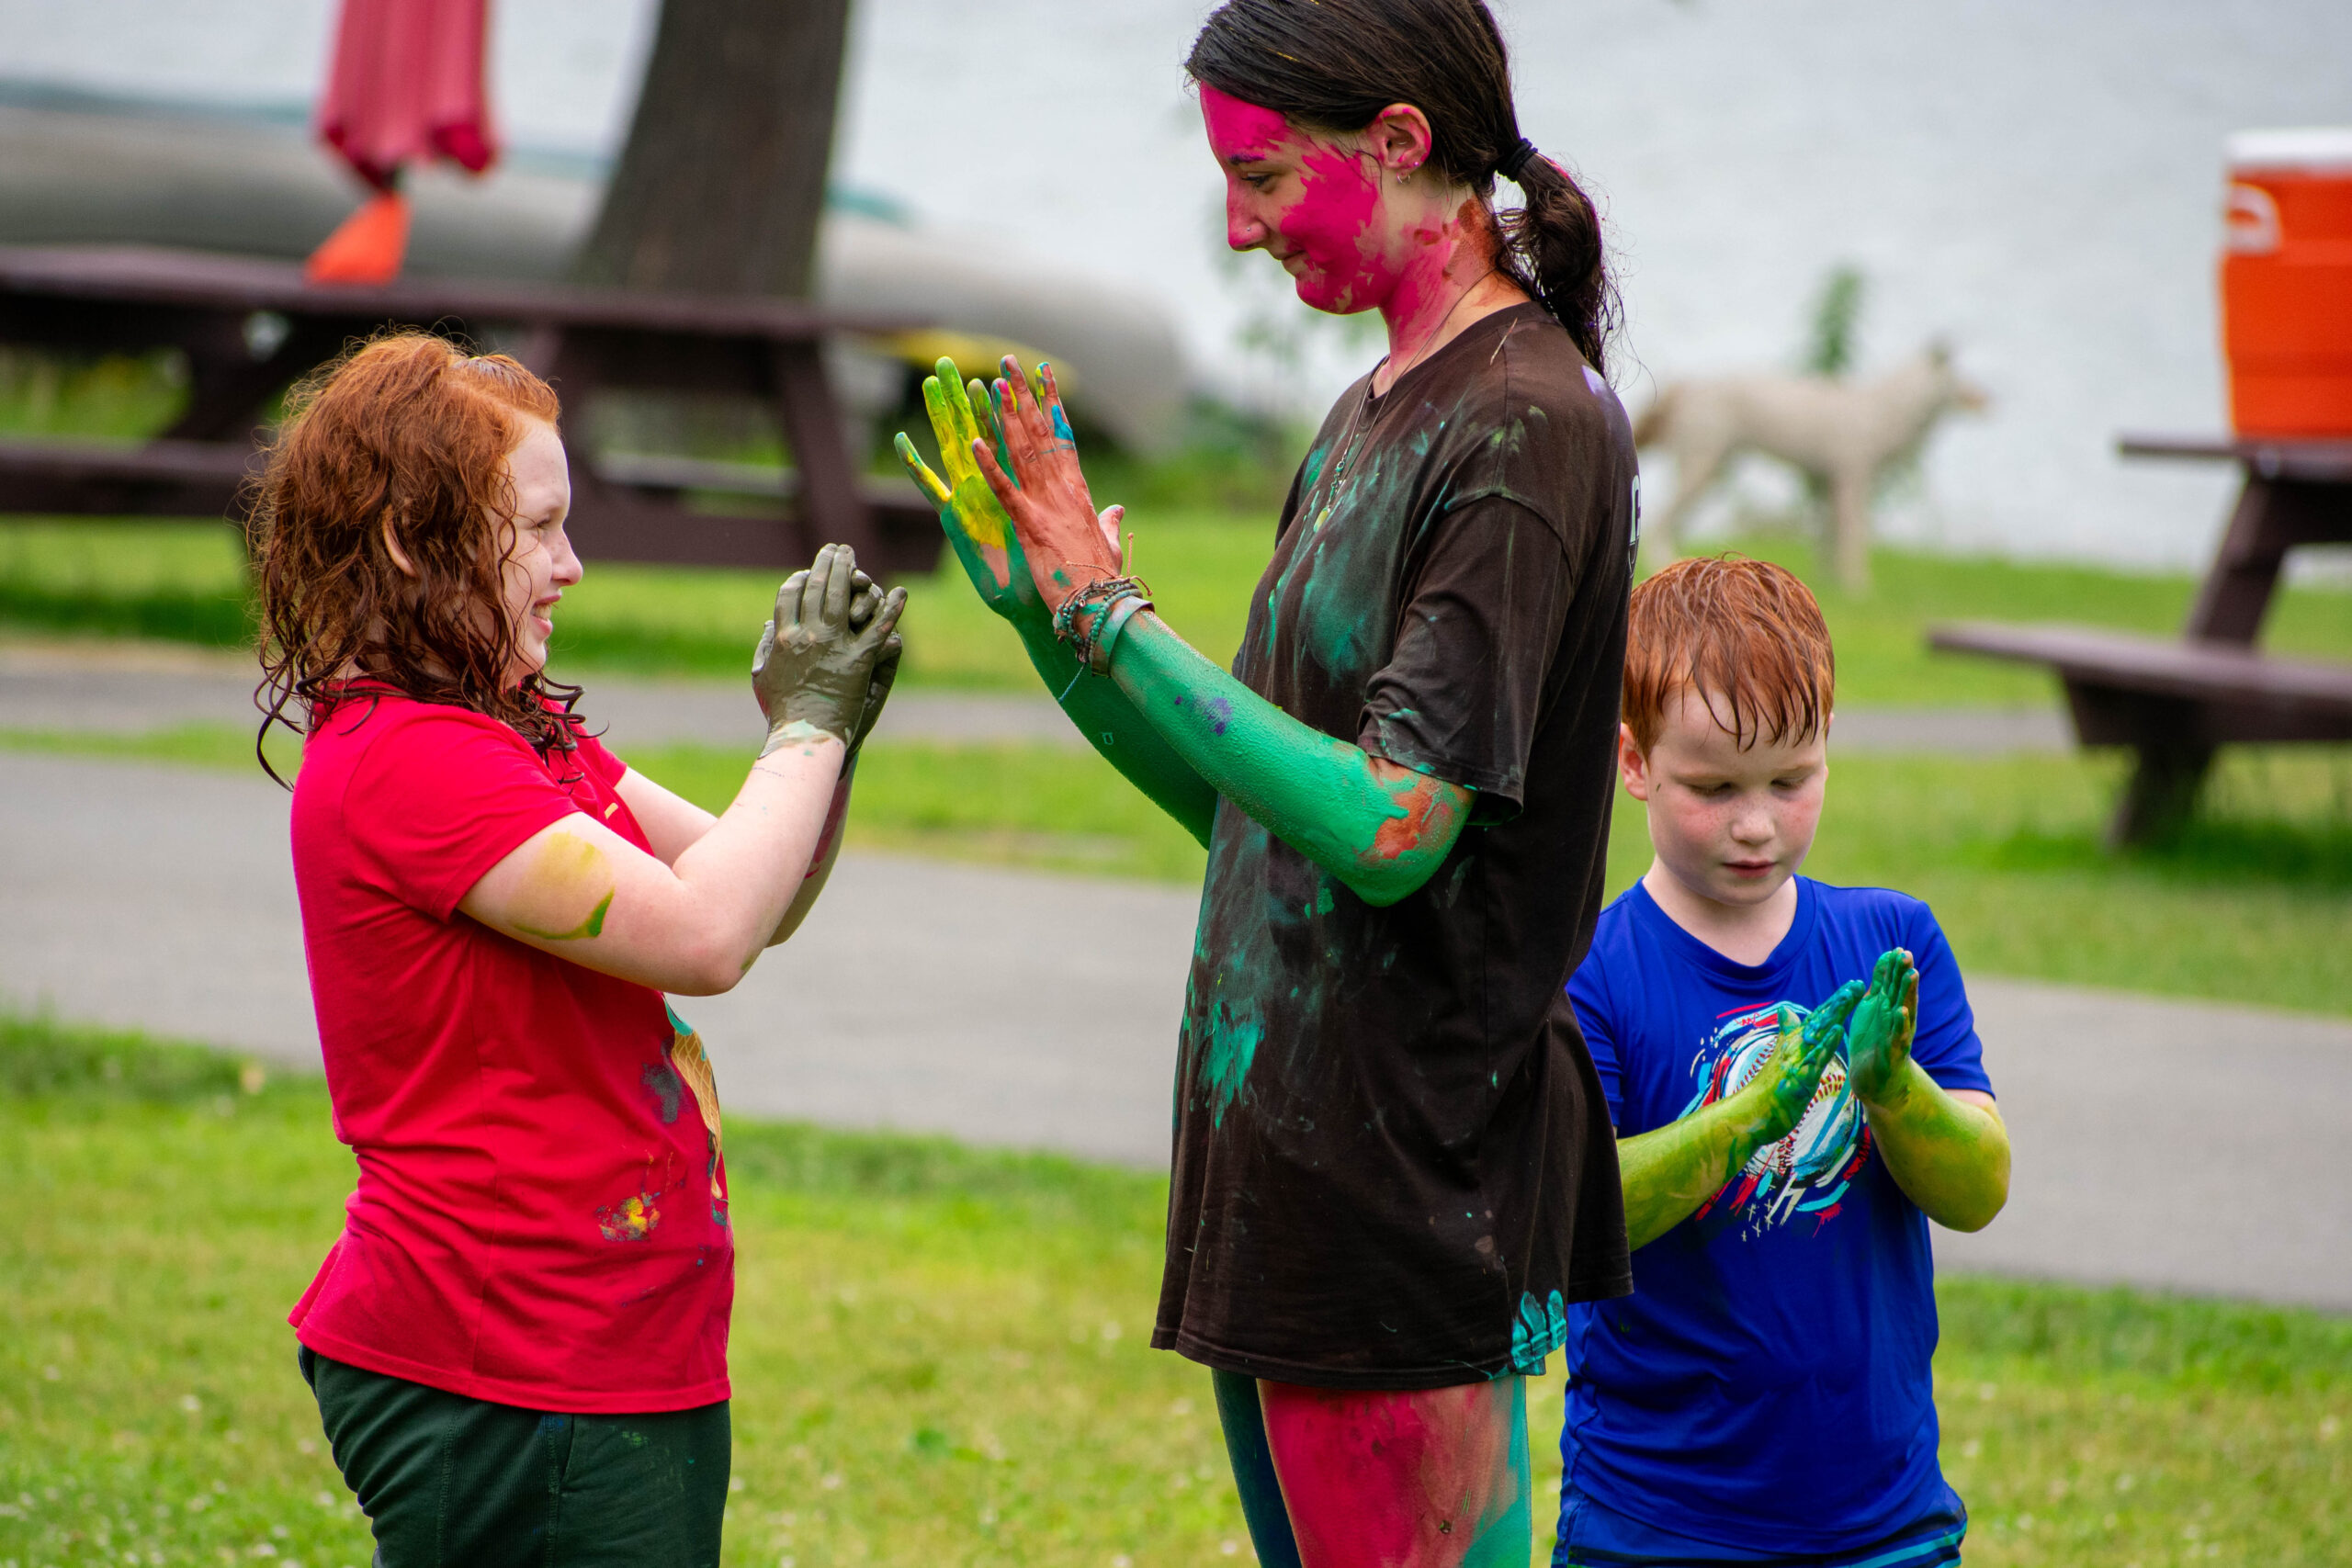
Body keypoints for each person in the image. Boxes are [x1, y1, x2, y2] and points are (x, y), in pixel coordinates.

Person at [897, 2, 1634, 1562]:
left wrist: (1118, 613)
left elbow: (1392, 826)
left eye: (1263, 176)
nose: (1238, 228)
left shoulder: (1520, 420)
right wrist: (1055, 627)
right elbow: (1252, 818)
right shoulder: (1375, 406)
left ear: (1399, 142)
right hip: (1289, 1176)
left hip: (1405, 1186)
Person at [252, 333, 904, 1568]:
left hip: (599, 1350)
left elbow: (757, 894)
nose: (572, 565)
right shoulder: (413, 761)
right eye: (540, 529)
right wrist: (808, 725)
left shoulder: (507, 731)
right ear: (410, 539)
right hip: (507, 1360)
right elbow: (707, 936)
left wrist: (833, 735)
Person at [1553, 556, 2011, 1568]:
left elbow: (1980, 1188)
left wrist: (1893, 1090)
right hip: (1658, 1523)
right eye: (1713, 787)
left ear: (1827, 750)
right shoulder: (1590, 973)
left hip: (1883, 1522)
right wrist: (1741, 1122)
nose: (1755, 823)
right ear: (1633, 761)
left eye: (1789, 781)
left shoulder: (1893, 941)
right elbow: (1570, 1217)